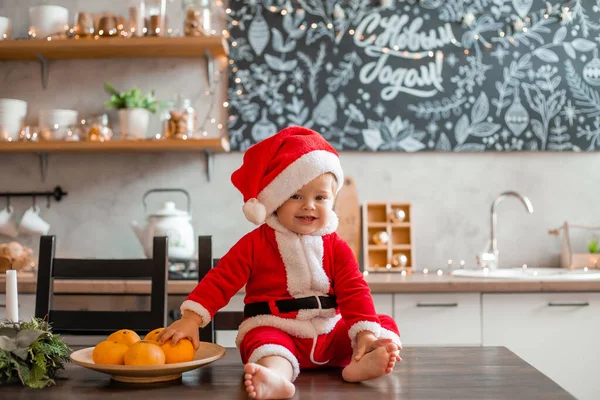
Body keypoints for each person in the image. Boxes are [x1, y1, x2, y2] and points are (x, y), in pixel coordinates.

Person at [158, 126, 402, 399]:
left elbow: (355, 291)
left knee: (380, 323)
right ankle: (275, 376)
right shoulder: (255, 244)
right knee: (262, 340)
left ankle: (359, 363)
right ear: (275, 200)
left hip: (328, 332)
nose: (309, 205)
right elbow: (221, 278)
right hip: (278, 328)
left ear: (332, 202)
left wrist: (365, 333)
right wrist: (192, 319)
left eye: (320, 198)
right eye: (296, 196)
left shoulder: (336, 246)